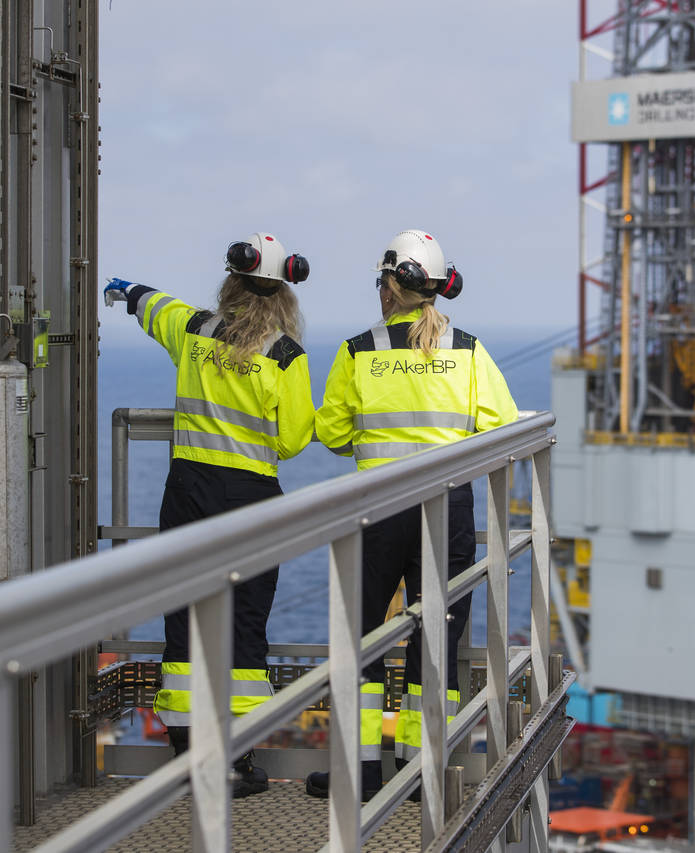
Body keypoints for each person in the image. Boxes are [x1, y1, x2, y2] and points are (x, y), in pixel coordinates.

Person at [306, 229, 518, 800]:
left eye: (381, 280)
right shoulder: (468, 350)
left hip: (376, 513)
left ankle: (363, 772)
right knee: (437, 644)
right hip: (446, 511)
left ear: (392, 285)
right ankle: (425, 770)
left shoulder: (358, 351)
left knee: (365, 641)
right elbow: (503, 426)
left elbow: (329, 432)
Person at [104, 232, 314, 798]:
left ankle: (184, 751)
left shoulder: (194, 331)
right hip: (250, 499)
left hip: (188, 492)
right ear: (284, 298)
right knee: (245, 622)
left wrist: (126, 291)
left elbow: (155, 305)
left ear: (230, 284)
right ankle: (236, 759)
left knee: (184, 614)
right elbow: (294, 441)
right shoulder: (286, 357)